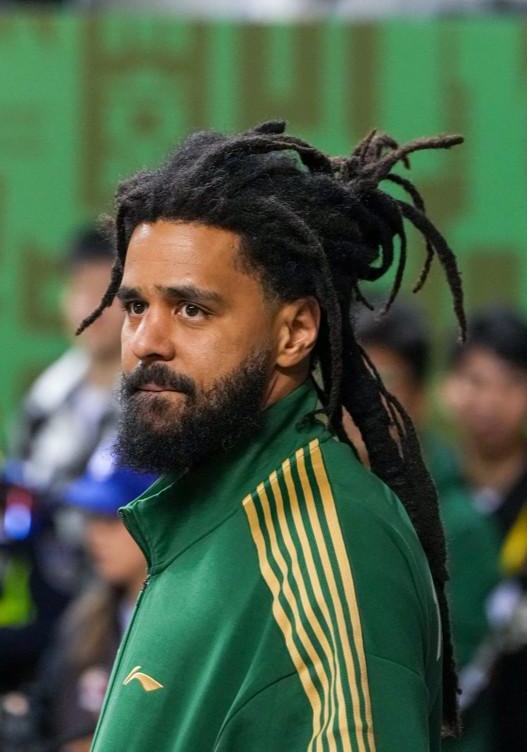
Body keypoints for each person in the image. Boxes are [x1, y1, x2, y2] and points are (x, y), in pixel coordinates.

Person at [78, 121, 465, 750]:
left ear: (295, 332)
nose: (147, 342)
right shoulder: (210, 511)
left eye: (192, 309)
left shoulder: (334, 551)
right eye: (136, 307)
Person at [354, 299, 500, 752]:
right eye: (348, 380)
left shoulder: (459, 524)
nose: (358, 402)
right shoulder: (323, 495)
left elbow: (452, 681)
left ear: (416, 396)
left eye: (382, 380)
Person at [0, 227, 123, 692]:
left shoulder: (156, 398)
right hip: (43, 602)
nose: (90, 307)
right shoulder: (46, 398)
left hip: (118, 609)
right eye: (79, 290)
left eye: (105, 293)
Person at [443, 305, 527, 751]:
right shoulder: (426, 489)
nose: (491, 403)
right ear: (448, 387)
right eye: (476, 381)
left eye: (511, 384)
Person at [35, 442, 154, 752]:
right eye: (91, 517)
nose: (94, 535)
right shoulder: (86, 618)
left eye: (112, 519)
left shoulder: (188, 617)